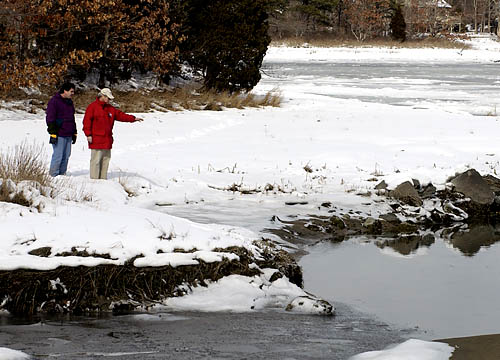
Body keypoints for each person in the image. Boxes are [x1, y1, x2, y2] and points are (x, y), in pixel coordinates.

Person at [82, 88, 143, 179]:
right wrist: (88, 134)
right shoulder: (92, 107)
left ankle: (103, 180)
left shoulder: (110, 108)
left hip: (107, 139)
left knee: (106, 160)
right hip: (96, 139)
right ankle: (94, 181)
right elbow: (86, 122)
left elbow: (121, 116)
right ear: (102, 96)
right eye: (108, 98)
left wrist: (133, 118)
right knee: (96, 161)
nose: (109, 100)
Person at [46, 82, 77, 177]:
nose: (73, 93)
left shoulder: (69, 102)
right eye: (71, 91)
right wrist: (53, 133)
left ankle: (62, 175)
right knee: (58, 156)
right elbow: (50, 118)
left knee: (66, 156)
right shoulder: (54, 101)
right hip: (59, 133)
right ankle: (53, 175)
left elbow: (72, 118)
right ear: (65, 91)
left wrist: (74, 132)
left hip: (68, 133)